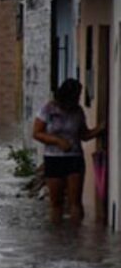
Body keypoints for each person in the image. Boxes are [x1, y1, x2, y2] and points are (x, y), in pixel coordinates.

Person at [33, 78, 105, 224]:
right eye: (76, 96)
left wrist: (99, 130)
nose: (78, 99)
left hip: (74, 159)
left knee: (75, 202)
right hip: (53, 159)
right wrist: (57, 141)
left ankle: (75, 239)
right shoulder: (48, 109)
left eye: (79, 95)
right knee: (56, 203)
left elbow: (83, 135)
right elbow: (37, 133)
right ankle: (58, 239)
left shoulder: (78, 111)